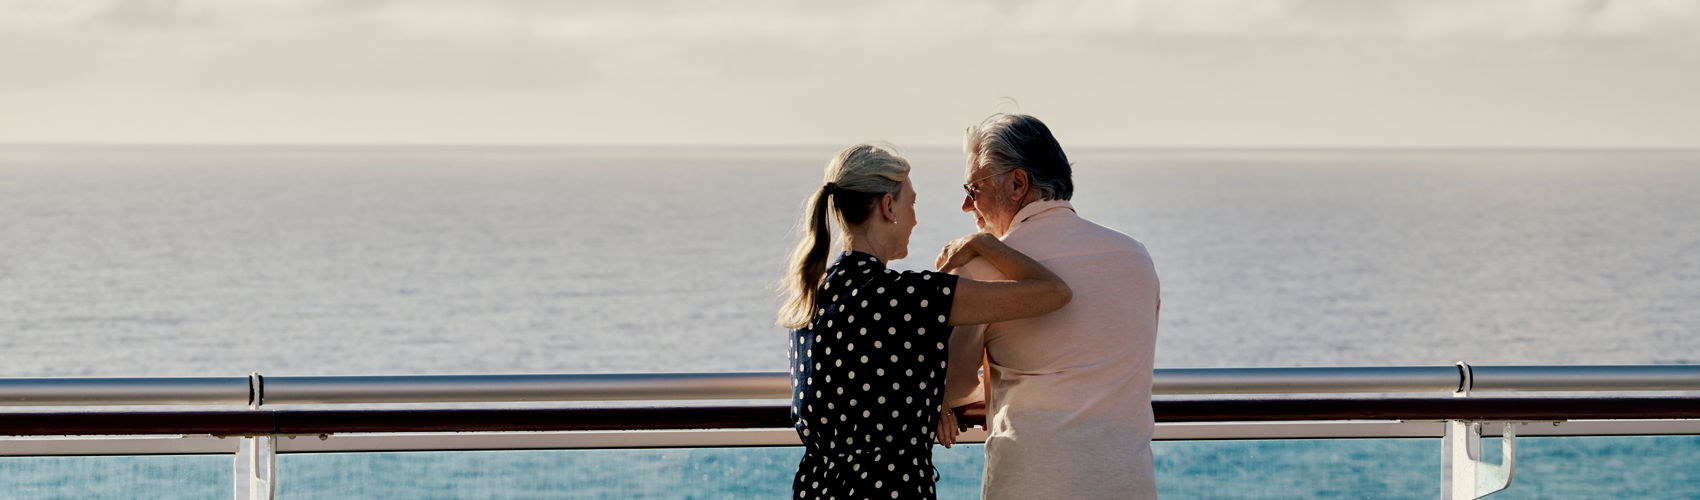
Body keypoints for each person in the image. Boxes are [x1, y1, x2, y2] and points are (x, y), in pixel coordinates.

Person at [779, 143, 1074, 500]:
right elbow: (1053, 292)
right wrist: (984, 244)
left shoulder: (812, 294)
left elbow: (863, 382)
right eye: (912, 203)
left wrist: (925, 403)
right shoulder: (910, 297)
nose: (915, 218)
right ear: (889, 206)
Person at [939, 114, 1162, 499]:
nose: (965, 205)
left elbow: (953, 385)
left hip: (1033, 481)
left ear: (1017, 183)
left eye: (973, 188)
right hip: (1128, 482)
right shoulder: (1135, 257)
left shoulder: (984, 266)